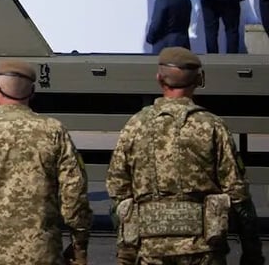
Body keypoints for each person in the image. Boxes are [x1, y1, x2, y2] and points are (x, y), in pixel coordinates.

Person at [106, 47, 263, 265]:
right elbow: (237, 192)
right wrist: (252, 251)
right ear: (198, 80)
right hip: (203, 249)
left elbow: (118, 189)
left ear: (159, 79)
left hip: (151, 250)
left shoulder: (135, 125)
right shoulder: (212, 126)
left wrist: (126, 250)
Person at [0, 59, 91, 265]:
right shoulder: (54, 132)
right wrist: (79, 244)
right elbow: (74, 193)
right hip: (41, 254)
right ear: (32, 93)